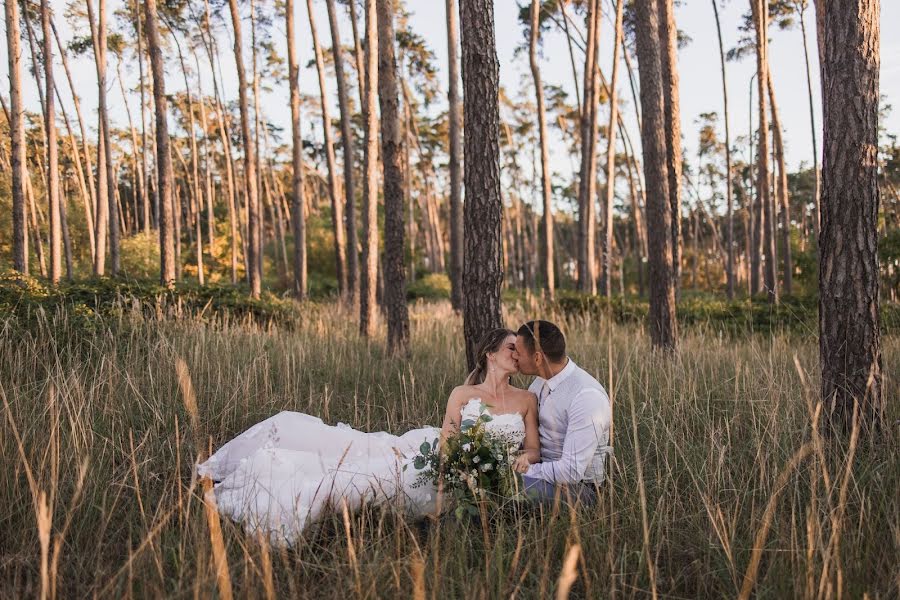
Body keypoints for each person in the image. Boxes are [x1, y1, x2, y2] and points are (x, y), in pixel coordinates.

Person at [197, 328, 539, 545]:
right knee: (364, 474)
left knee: (369, 484)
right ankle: (262, 487)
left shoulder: (527, 399)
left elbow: (534, 449)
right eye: (511, 347)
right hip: (439, 461)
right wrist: (451, 469)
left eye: (519, 349)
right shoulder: (463, 394)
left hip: (479, 479)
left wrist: (523, 459)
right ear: (490, 355)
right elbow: (449, 438)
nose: (517, 353)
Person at [513, 320, 612, 506]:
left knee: (502, 489)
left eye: (518, 353)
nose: (514, 357)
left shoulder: (586, 396)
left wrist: (522, 471)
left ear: (537, 358)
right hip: (541, 474)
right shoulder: (539, 383)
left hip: (579, 489)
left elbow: (571, 471)